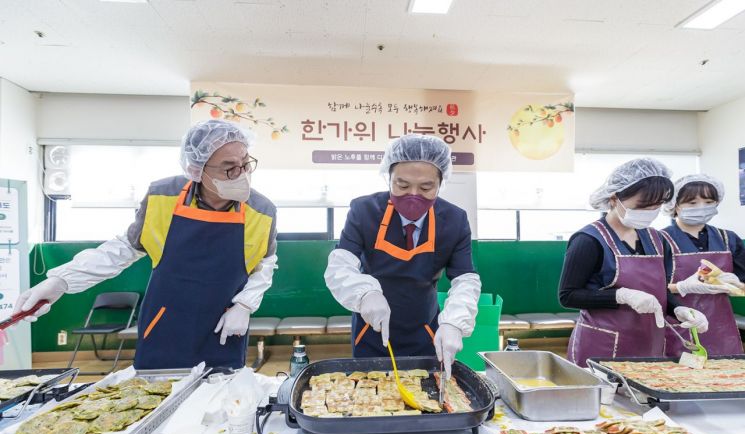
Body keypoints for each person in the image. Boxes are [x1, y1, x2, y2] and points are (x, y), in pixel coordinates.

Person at [15, 120, 278, 369]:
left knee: (223, 400)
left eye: (245, 163)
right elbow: (124, 248)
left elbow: (265, 264)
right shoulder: (163, 196)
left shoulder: (262, 210)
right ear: (196, 169)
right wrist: (61, 280)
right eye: (229, 166)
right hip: (164, 322)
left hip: (224, 324)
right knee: (155, 394)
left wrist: (244, 305)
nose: (241, 174)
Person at [324, 134, 481, 379]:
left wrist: (453, 322)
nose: (413, 195)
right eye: (402, 185)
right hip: (371, 328)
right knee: (371, 398)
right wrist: (366, 293)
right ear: (389, 178)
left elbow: (466, 278)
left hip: (426, 331)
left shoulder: (454, 219)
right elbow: (340, 264)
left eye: (426, 187)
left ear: (441, 184)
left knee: (425, 397)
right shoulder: (364, 211)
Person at [559, 158, 708, 367]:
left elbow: (659, 291)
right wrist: (621, 296)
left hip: (649, 344)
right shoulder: (588, 240)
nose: (650, 212)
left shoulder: (657, 240)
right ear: (614, 198)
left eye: (656, 206)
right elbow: (568, 296)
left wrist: (678, 309)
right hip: (602, 346)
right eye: (643, 206)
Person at [661, 174, 745, 356]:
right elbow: (650, 289)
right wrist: (682, 287)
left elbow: (743, 284)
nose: (701, 208)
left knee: (727, 379)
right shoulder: (659, 240)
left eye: (708, 202)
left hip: (721, 328)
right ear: (675, 206)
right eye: (692, 203)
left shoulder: (729, 239)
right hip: (678, 324)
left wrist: (737, 285)